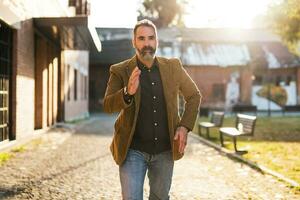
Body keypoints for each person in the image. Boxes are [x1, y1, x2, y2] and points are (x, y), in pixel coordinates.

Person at [103, 19, 201, 200]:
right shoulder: (120, 70)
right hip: (133, 150)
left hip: (165, 150)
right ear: (134, 42)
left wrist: (184, 127)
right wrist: (127, 92)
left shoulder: (173, 67)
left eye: (151, 38)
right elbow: (108, 105)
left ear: (157, 41)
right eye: (141, 38)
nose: (146, 43)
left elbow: (194, 96)